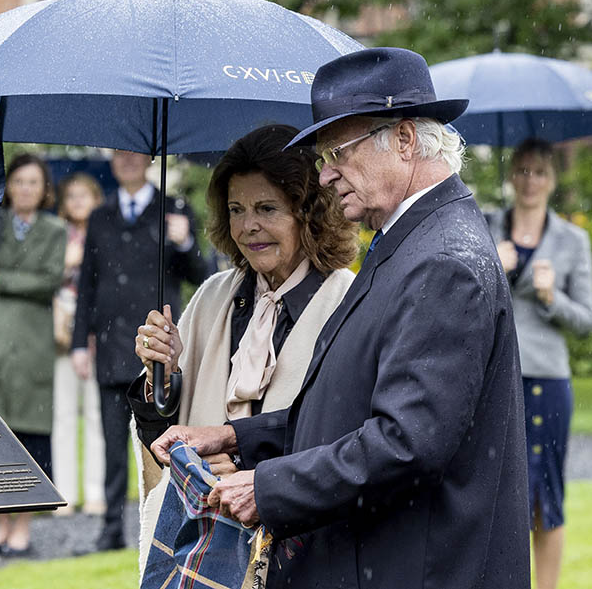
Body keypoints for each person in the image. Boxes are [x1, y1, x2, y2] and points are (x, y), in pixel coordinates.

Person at [150, 48, 531, 588]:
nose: (325, 175)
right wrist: (233, 436)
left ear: (403, 139)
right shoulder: (412, 238)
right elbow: (346, 406)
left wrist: (268, 488)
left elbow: (407, 443)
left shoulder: (443, 259)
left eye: (337, 154)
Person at [128, 124, 358, 569]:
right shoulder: (214, 296)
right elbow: (159, 435)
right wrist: (165, 374)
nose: (248, 226)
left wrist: (246, 462)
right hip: (200, 546)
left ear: (308, 212)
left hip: (298, 552)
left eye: (267, 208)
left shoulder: (346, 302)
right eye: (236, 209)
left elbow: (341, 439)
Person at [70, 150, 209, 552]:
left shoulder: (174, 210)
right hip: (112, 347)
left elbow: (203, 275)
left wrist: (184, 243)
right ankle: (111, 527)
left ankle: (172, 526)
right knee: (113, 443)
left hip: (158, 351)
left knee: (166, 442)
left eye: (134, 154)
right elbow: (87, 289)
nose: (126, 161)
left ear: (149, 159)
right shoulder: (100, 216)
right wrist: (81, 342)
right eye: (119, 155)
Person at [487, 138, 592, 589]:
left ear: (551, 179)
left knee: (545, 496)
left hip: (547, 381)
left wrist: (553, 299)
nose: (531, 180)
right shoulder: (487, 227)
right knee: (494, 493)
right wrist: (494, 263)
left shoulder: (573, 239)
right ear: (513, 176)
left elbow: (586, 322)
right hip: (496, 377)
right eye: (523, 171)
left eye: (540, 172)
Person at [0, 153, 66, 557]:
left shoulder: (54, 230)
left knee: (28, 440)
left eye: (33, 182)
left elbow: (48, 280)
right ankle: (1, 526)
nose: (24, 189)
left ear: (44, 190)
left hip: (32, 348)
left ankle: (23, 527)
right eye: (18, 181)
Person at [52, 173, 107, 516]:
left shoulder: (105, 234)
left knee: (97, 415)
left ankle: (96, 492)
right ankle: (64, 493)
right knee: (64, 414)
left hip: (98, 330)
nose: (77, 201)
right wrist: (65, 262)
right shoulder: (57, 236)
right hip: (62, 330)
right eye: (70, 195)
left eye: (83, 195)